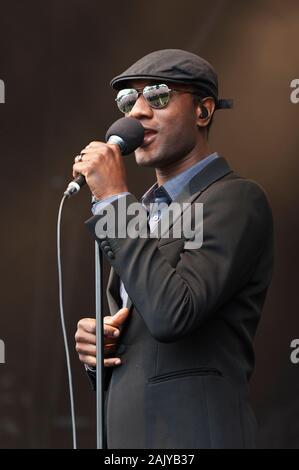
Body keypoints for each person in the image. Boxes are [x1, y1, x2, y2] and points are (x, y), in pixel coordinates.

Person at [74, 49, 274, 449]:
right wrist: (104, 349)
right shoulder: (143, 213)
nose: (138, 112)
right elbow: (147, 321)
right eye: (129, 101)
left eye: (159, 96)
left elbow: (172, 313)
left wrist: (114, 199)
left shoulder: (233, 200)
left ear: (203, 111)